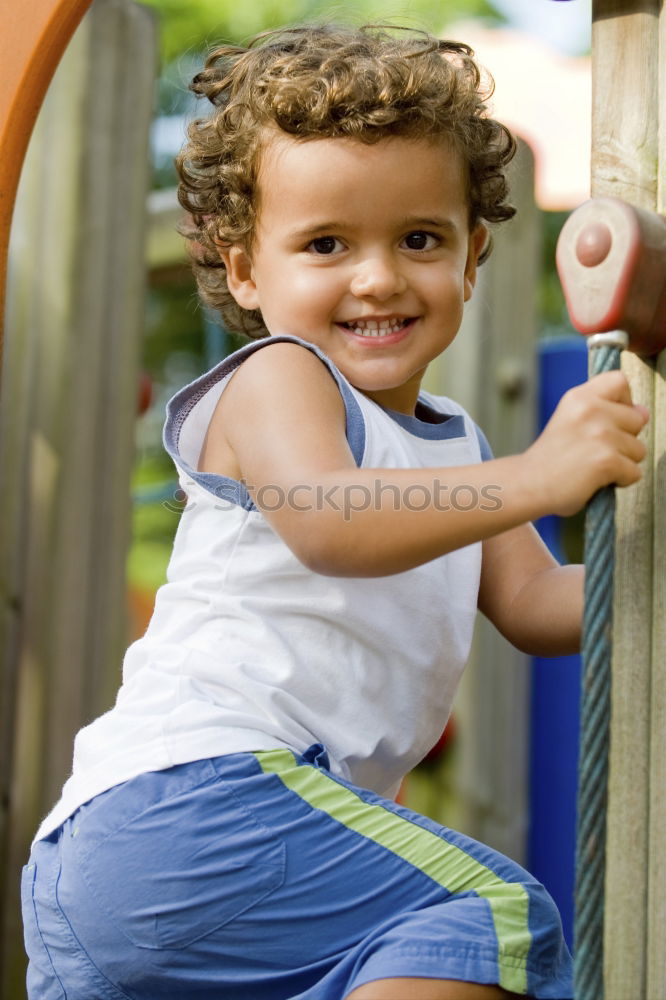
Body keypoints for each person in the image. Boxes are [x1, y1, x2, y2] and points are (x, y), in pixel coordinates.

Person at [21, 24, 647, 1000]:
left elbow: (539, 602)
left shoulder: (454, 448)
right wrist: (539, 474)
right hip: (197, 804)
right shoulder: (282, 379)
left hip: (181, 871)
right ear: (243, 269)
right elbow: (328, 517)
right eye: (324, 244)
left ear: (473, 256)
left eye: (420, 238)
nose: (378, 276)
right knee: (491, 920)